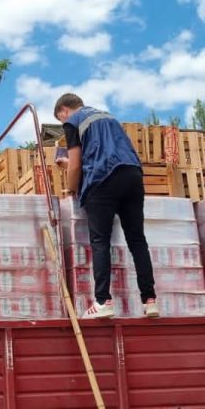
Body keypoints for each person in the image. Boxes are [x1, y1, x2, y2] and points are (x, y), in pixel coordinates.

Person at [54, 93, 158, 319]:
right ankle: (150, 300)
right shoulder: (107, 117)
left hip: (102, 179)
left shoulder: (73, 122)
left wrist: (71, 188)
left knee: (100, 241)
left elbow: (76, 165)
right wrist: (69, 164)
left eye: (60, 119)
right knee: (137, 240)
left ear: (64, 110)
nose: (63, 123)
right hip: (132, 175)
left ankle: (103, 301)